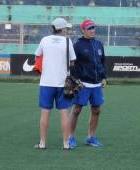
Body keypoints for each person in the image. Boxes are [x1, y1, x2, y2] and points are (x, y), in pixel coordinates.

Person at [34, 17, 76, 150]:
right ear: (62, 29)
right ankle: (65, 143)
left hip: (46, 82)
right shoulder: (68, 42)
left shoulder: (44, 40)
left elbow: (37, 56)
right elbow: (73, 62)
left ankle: (42, 143)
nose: (67, 30)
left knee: (45, 112)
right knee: (64, 113)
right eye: (66, 28)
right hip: (63, 83)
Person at [68, 19, 107, 148]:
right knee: (76, 110)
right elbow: (72, 64)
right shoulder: (77, 45)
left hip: (96, 84)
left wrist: (103, 77)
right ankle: (70, 137)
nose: (92, 30)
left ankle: (91, 137)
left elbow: (102, 63)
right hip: (82, 84)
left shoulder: (99, 44)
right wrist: (76, 80)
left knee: (96, 110)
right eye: (89, 28)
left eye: (93, 28)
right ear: (83, 30)